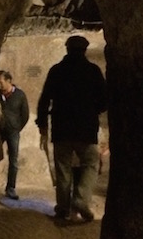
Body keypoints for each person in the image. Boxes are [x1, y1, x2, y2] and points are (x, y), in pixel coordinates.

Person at [36, 35, 107, 222]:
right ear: (84, 50)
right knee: (90, 164)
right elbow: (104, 100)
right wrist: (94, 110)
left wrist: (42, 123)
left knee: (63, 168)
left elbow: (45, 100)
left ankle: (63, 208)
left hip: (62, 128)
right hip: (86, 128)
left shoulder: (57, 71)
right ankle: (81, 199)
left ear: (67, 49)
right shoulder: (92, 71)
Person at [0, 70, 29, 200]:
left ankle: (11, 188)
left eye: (1, 82)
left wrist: (17, 127)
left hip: (13, 131)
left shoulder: (19, 95)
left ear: (8, 81)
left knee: (13, 160)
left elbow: (25, 115)